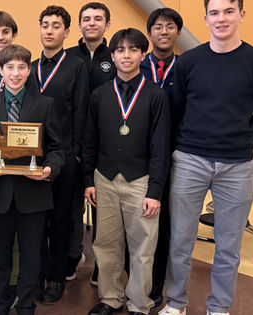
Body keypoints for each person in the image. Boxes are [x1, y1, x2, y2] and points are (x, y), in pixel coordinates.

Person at [159, 1, 253, 315]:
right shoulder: (188, 62)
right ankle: (176, 303)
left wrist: (238, 142)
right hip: (190, 161)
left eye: (228, 11)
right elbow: (177, 108)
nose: (221, 18)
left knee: (228, 245)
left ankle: (219, 307)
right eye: (214, 12)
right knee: (181, 241)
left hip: (237, 165)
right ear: (206, 18)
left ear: (241, 14)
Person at [83, 28, 170, 315]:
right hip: (104, 178)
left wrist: (155, 191)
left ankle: (139, 303)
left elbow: (160, 147)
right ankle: (110, 298)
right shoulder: (99, 95)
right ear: (113, 55)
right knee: (106, 243)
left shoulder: (156, 96)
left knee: (142, 247)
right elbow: (89, 141)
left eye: (133, 50)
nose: (126, 55)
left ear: (142, 54)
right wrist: (88, 181)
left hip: (141, 180)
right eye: (120, 50)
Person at [0, 44, 66, 315]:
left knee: (31, 255)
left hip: (33, 193)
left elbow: (58, 147)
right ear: (1, 71)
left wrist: (49, 169)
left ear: (29, 70)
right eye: (10, 67)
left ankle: (26, 304)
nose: (15, 73)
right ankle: (0, 303)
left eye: (21, 67)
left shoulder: (45, 104)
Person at [33, 5, 89, 304]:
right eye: (45, 25)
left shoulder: (76, 66)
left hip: (65, 158)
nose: (49, 30)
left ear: (67, 32)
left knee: (62, 220)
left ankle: (56, 278)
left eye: (56, 25)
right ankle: (39, 273)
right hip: (35, 158)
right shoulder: (29, 67)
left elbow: (81, 111)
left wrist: (76, 155)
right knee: (38, 220)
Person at [63, 1, 117, 284]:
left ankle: (101, 265)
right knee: (72, 205)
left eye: (98, 19)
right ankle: (72, 257)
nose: (92, 23)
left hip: (106, 143)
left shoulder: (116, 55)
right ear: (80, 25)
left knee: (102, 210)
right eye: (87, 19)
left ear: (107, 24)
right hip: (73, 143)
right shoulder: (68, 57)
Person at [139, 7, 183, 307]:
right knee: (140, 220)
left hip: (179, 155)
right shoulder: (137, 67)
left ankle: (156, 286)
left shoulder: (188, 67)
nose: (163, 31)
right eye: (157, 27)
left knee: (166, 222)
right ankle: (136, 282)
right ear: (150, 33)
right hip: (140, 156)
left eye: (169, 26)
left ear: (178, 32)